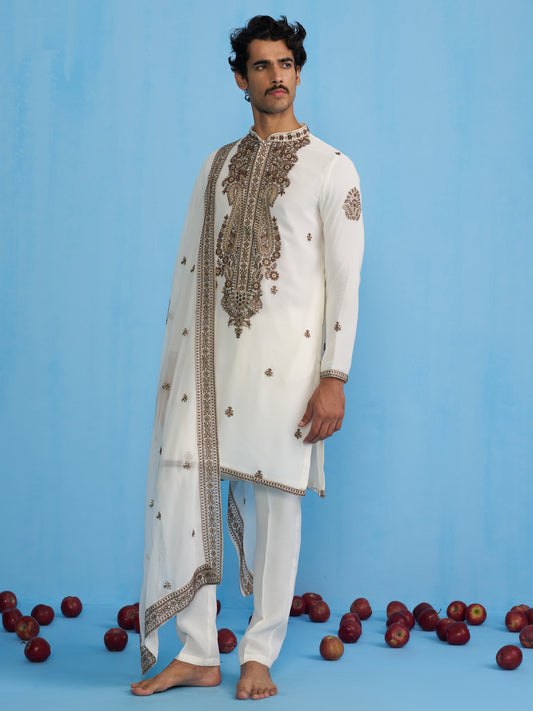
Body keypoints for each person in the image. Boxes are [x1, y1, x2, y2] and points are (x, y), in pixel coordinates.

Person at [131, 15, 364, 700]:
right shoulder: (215, 166)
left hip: (289, 370)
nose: (276, 76)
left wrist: (334, 376)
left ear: (299, 72)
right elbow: (191, 271)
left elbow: (345, 281)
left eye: (286, 63)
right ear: (241, 79)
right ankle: (198, 652)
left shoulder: (332, 167)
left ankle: (259, 653)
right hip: (209, 364)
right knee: (184, 484)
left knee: (275, 503)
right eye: (261, 65)